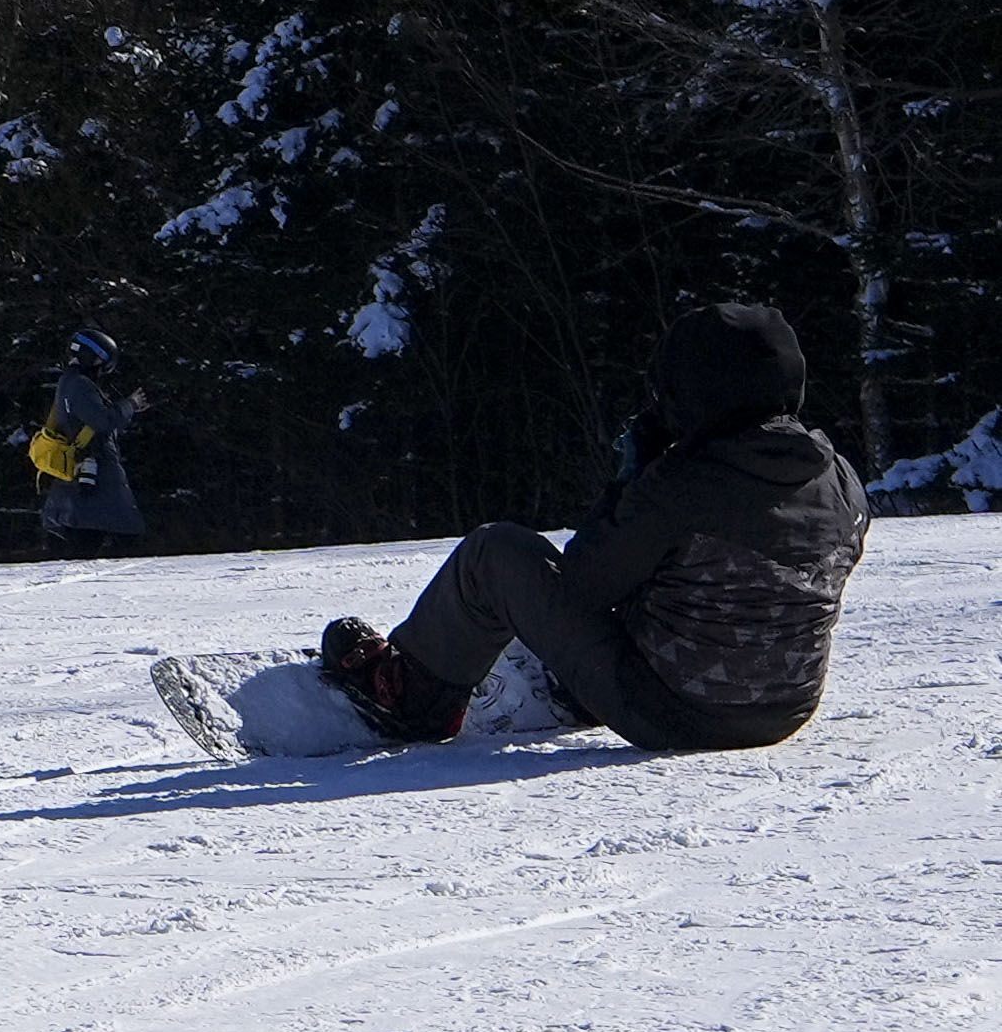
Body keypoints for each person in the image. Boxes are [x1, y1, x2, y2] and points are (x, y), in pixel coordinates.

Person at [320, 300, 867, 751]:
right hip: (784, 710)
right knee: (690, 578)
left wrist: (635, 480)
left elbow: (583, 582)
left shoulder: (682, 484)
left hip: (679, 714)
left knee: (496, 552)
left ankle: (409, 699)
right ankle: (575, 689)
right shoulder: (840, 477)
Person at [34, 328, 154, 555]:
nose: (102, 367)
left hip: (85, 465)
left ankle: (78, 566)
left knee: (87, 530)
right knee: (125, 530)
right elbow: (103, 421)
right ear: (90, 356)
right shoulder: (80, 384)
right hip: (96, 465)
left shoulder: (69, 382)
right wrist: (131, 405)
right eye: (101, 360)